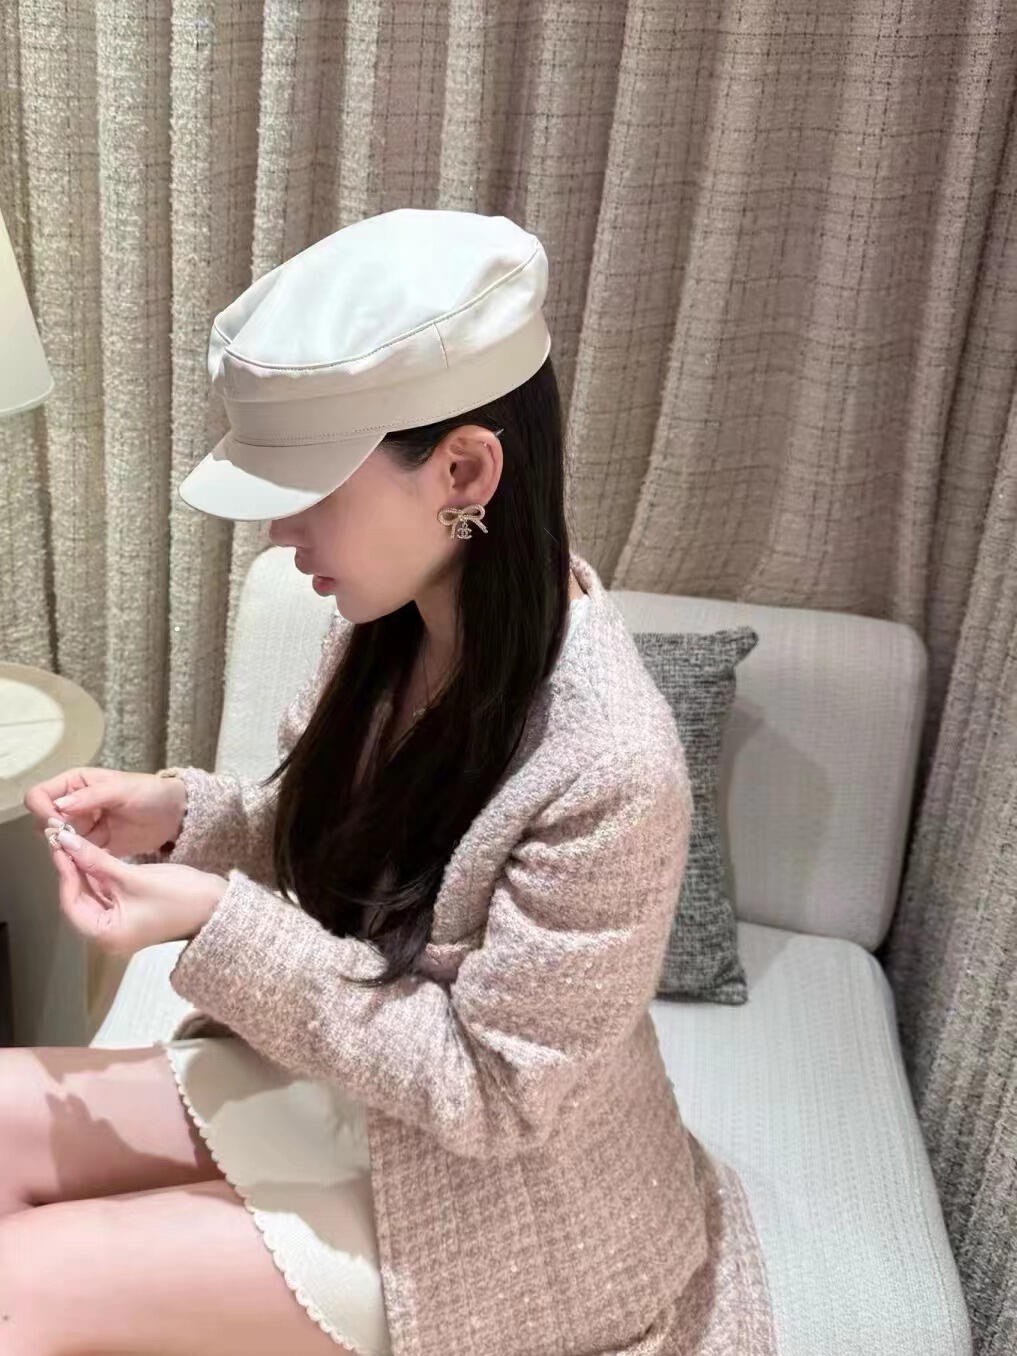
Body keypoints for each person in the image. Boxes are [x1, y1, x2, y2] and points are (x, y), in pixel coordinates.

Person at [9, 208, 776, 1355]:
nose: (281, 535)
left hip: (505, 1212)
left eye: (310, 492)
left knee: (28, 1281)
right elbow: (356, 848)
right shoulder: (392, 629)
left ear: (463, 470)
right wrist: (187, 819)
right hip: (355, 1087)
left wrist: (216, 919)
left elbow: (494, 1093)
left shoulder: (611, 763)